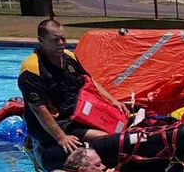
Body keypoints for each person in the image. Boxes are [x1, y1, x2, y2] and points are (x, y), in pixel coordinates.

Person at [18, 20, 129, 155]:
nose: (61, 43)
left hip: (77, 115)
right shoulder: (32, 69)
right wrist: (61, 137)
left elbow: (89, 82)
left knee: (123, 127)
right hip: (58, 123)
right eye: (55, 40)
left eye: (63, 38)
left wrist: (113, 102)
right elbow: (38, 108)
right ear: (41, 41)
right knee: (109, 138)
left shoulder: (69, 57)